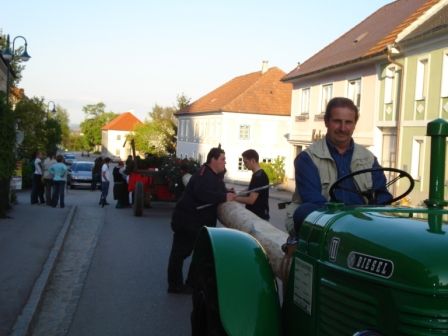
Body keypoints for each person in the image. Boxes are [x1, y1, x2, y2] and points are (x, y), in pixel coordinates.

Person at [292, 97, 392, 235]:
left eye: (348, 122)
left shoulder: (368, 158)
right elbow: (314, 201)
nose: (343, 128)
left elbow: (382, 196)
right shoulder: (307, 158)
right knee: (305, 211)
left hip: (364, 225)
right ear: (327, 122)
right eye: (337, 121)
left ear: (355, 124)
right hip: (326, 226)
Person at [167, 146, 236, 294]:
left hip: (197, 223)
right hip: (187, 221)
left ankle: (192, 283)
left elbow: (217, 190)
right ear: (213, 160)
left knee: (199, 255)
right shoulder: (203, 175)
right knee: (180, 254)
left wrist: (227, 193)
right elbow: (202, 193)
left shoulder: (213, 175)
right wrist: (223, 197)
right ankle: (175, 285)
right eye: (222, 159)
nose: (225, 162)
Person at [235, 149, 270, 220]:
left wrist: (234, 198)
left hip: (259, 218)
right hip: (255, 216)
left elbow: (251, 200)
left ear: (253, 161)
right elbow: (251, 190)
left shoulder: (259, 177)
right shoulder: (257, 174)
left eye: (245, 162)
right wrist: (237, 193)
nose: (244, 165)